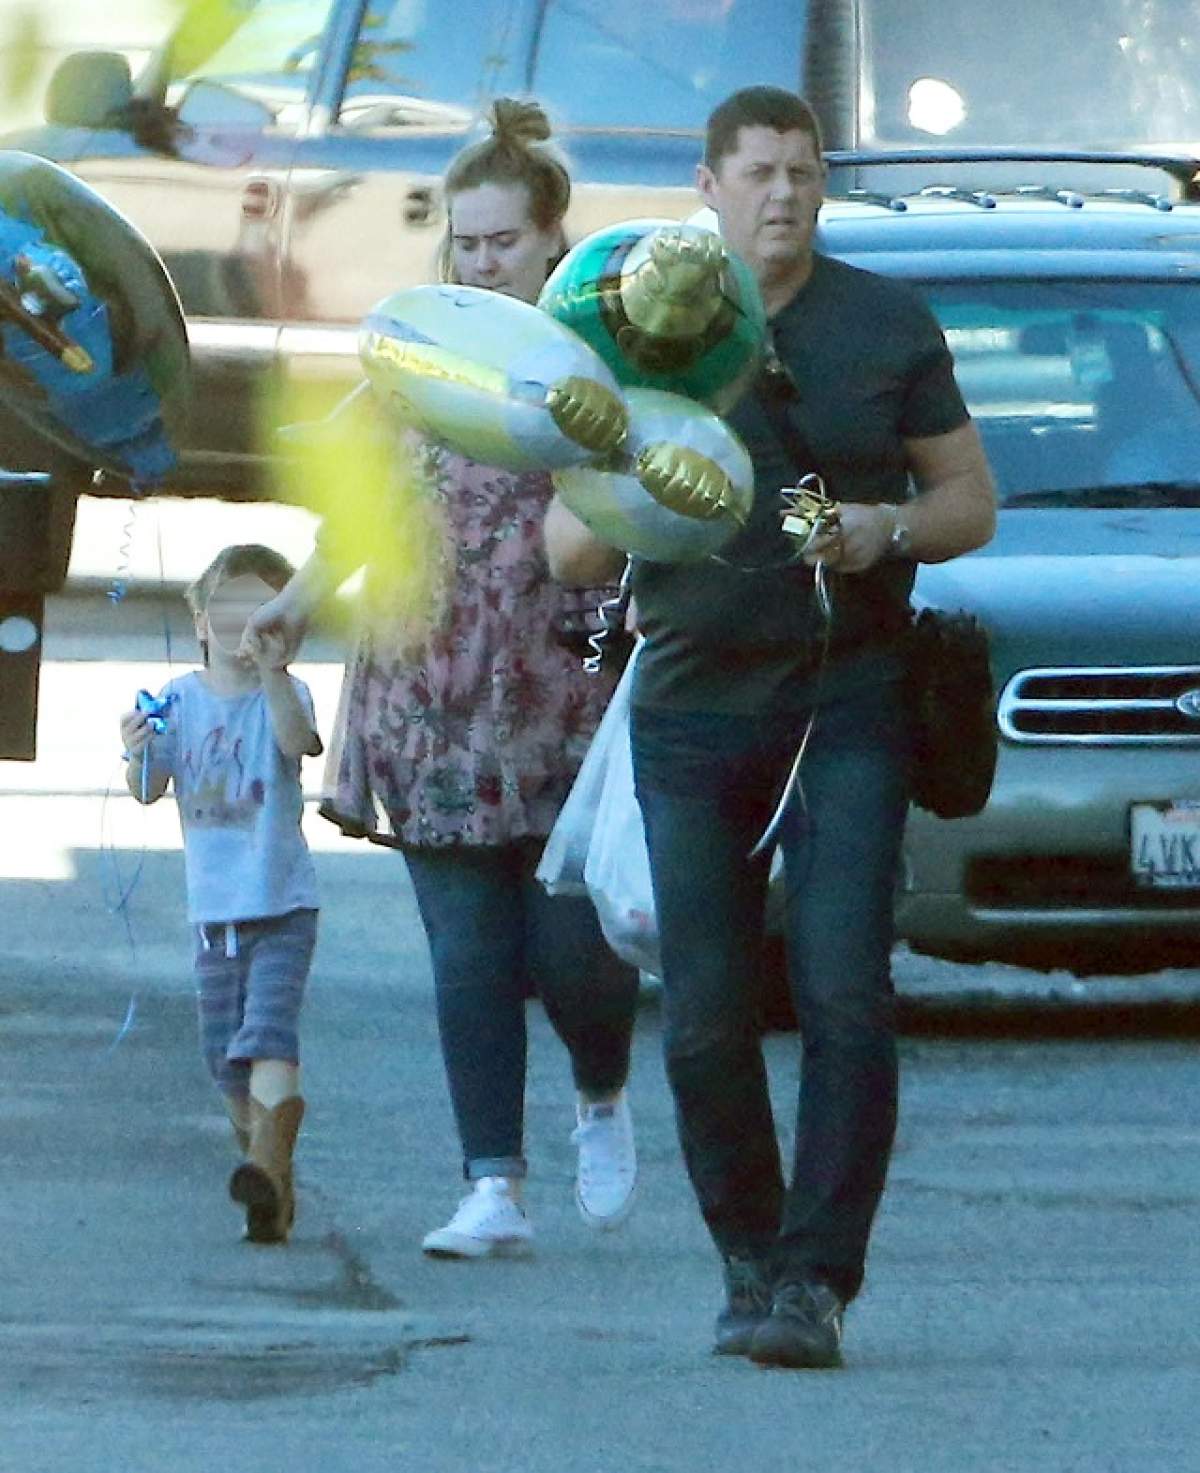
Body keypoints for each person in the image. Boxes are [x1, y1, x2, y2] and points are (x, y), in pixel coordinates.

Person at [545, 86, 996, 1367]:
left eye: (803, 171)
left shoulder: (884, 323)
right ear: (708, 188)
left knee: (845, 989)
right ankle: (748, 1258)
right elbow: (568, 550)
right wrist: (629, 480)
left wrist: (884, 529)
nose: (784, 194)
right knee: (703, 1010)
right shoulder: (639, 327)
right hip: (692, 706)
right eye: (758, 173)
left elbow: (970, 500)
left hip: (848, 696)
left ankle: (818, 1282)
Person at [241, 98, 640, 1260]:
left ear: (553, 239)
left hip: (565, 685)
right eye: (465, 243)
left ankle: (602, 1093)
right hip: (429, 693)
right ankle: (492, 1187)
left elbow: (652, 494)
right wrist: (298, 598)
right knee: (468, 954)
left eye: (504, 241)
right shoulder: (412, 356)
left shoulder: (597, 362)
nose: (482, 262)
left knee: (573, 952)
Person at [118, 543, 323, 1246]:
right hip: (212, 913)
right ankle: (271, 1182)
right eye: (229, 610)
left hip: (282, 905)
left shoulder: (286, 694)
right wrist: (137, 750)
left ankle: (265, 1169)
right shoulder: (178, 698)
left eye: (262, 612)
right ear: (201, 623)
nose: (244, 626)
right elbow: (148, 787)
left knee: (268, 1036)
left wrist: (273, 671)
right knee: (223, 1058)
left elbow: (297, 744)